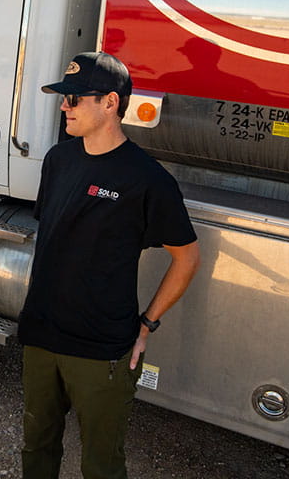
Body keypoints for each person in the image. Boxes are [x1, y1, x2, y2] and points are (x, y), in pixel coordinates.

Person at [18, 51, 201, 479]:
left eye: (75, 99)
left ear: (111, 103)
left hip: (102, 351)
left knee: (101, 465)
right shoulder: (58, 160)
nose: (64, 106)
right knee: (37, 449)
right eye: (64, 98)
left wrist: (147, 324)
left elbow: (187, 258)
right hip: (41, 337)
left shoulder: (148, 179)